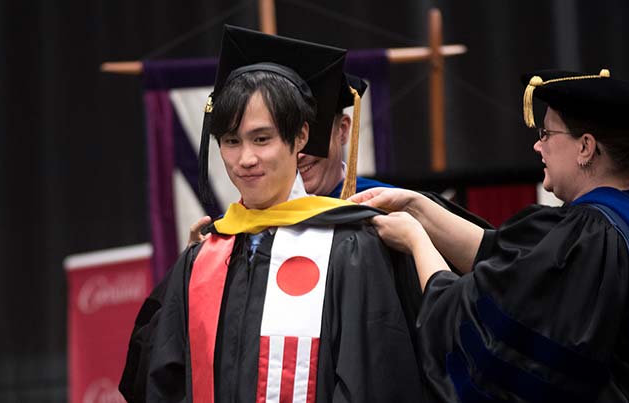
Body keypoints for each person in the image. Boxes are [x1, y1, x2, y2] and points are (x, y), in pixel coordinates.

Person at [350, 69, 629, 402]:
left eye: (547, 134)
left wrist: (416, 241)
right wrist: (417, 207)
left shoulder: (589, 237)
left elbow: (482, 325)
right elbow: (502, 257)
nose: (537, 146)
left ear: (585, 147)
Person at [120, 25, 427, 403]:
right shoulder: (205, 258)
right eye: (231, 142)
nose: (245, 159)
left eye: (261, 139)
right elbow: (158, 379)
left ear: (299, 138)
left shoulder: (348, 248)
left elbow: (375, 380)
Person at [187, 74, 395, 245]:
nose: (298, 153)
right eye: (233, 140)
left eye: (261, 139)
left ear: (342, 131)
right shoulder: (230, 232)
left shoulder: (382, 213)